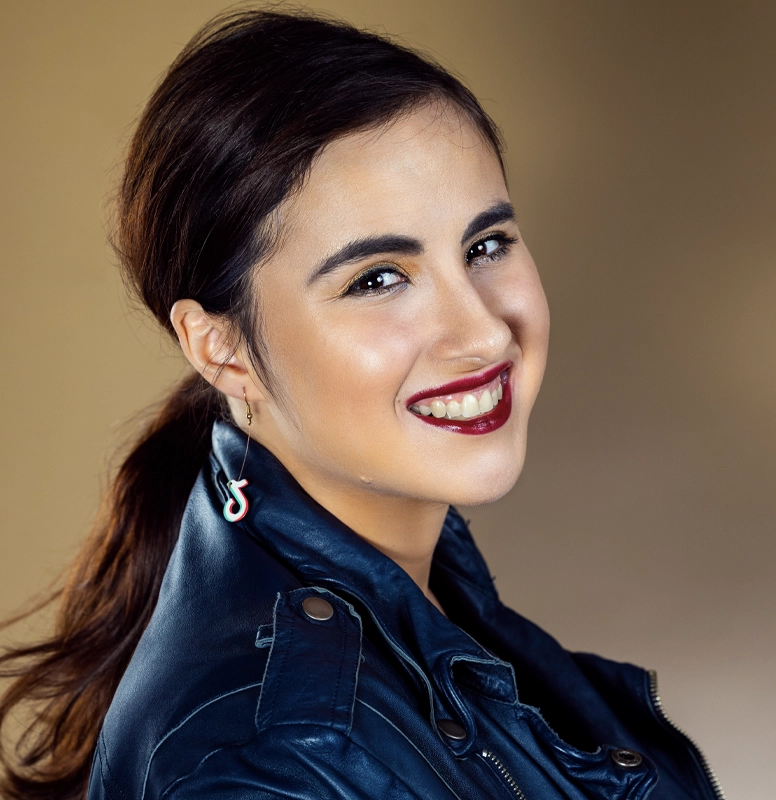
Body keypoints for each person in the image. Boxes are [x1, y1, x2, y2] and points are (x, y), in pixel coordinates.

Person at [0, 8, 724, 800]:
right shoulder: (270, 763)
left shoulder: (434, 609)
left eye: (485, 246)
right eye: (377, 278)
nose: (483, 332)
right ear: (220, 347)